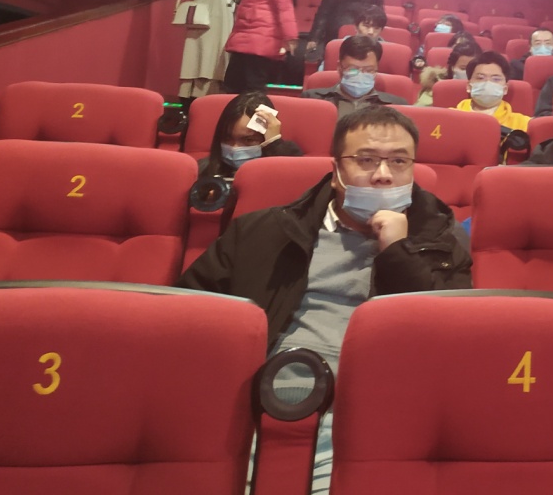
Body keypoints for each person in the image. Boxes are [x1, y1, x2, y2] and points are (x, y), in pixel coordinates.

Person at [178, 105, 471, 494]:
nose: (383, 174)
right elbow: (189, 318)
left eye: (399, 161)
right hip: (255, 403)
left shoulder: (442, 243)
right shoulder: (262, 231)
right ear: (336, 171)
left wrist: (398, 252)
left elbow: (448, 344)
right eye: (366, 160)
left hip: (374, 414)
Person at [196, 91, 304, 180]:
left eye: (248, 140)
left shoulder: (289, 157)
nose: (234, 148)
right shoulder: (202, 168)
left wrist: (274, 144)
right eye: (227, 138)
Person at [304, 36, 409, 115]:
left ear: (377, 69)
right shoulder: (313, 99)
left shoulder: (397, 106)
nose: (360, 75)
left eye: (368, 70)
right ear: (339, 67)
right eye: (353, 69)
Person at [457, 51, 530, 133]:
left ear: (505, 89)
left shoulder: (524, 124)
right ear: (469, 86)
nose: (488, 83)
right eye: (480, 78)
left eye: (496, 79)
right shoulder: (449, 118)